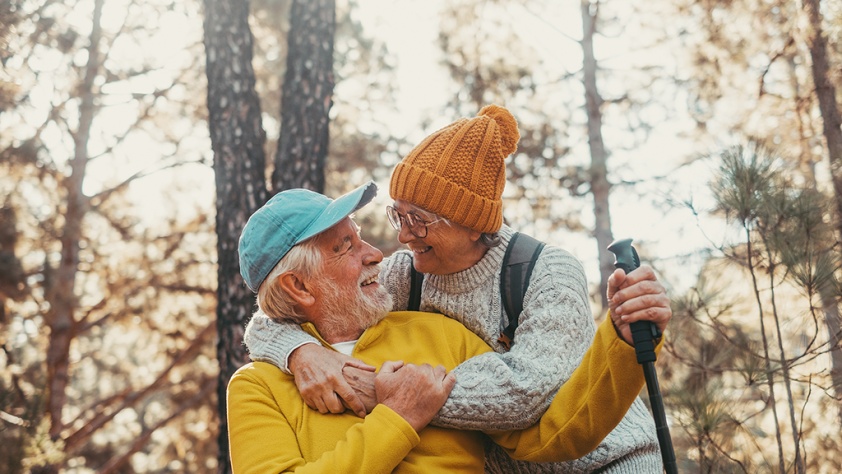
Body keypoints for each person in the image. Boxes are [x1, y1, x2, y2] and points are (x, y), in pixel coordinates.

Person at [244, 105, 671, 472]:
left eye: (420, 220)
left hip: (607, 455)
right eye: (399, 216)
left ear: (473, 225)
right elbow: (281, 308)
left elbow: (525, 396)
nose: (401, 239)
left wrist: (398, 398)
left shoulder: (546, 272)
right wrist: (299, 351)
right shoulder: (400, 279)